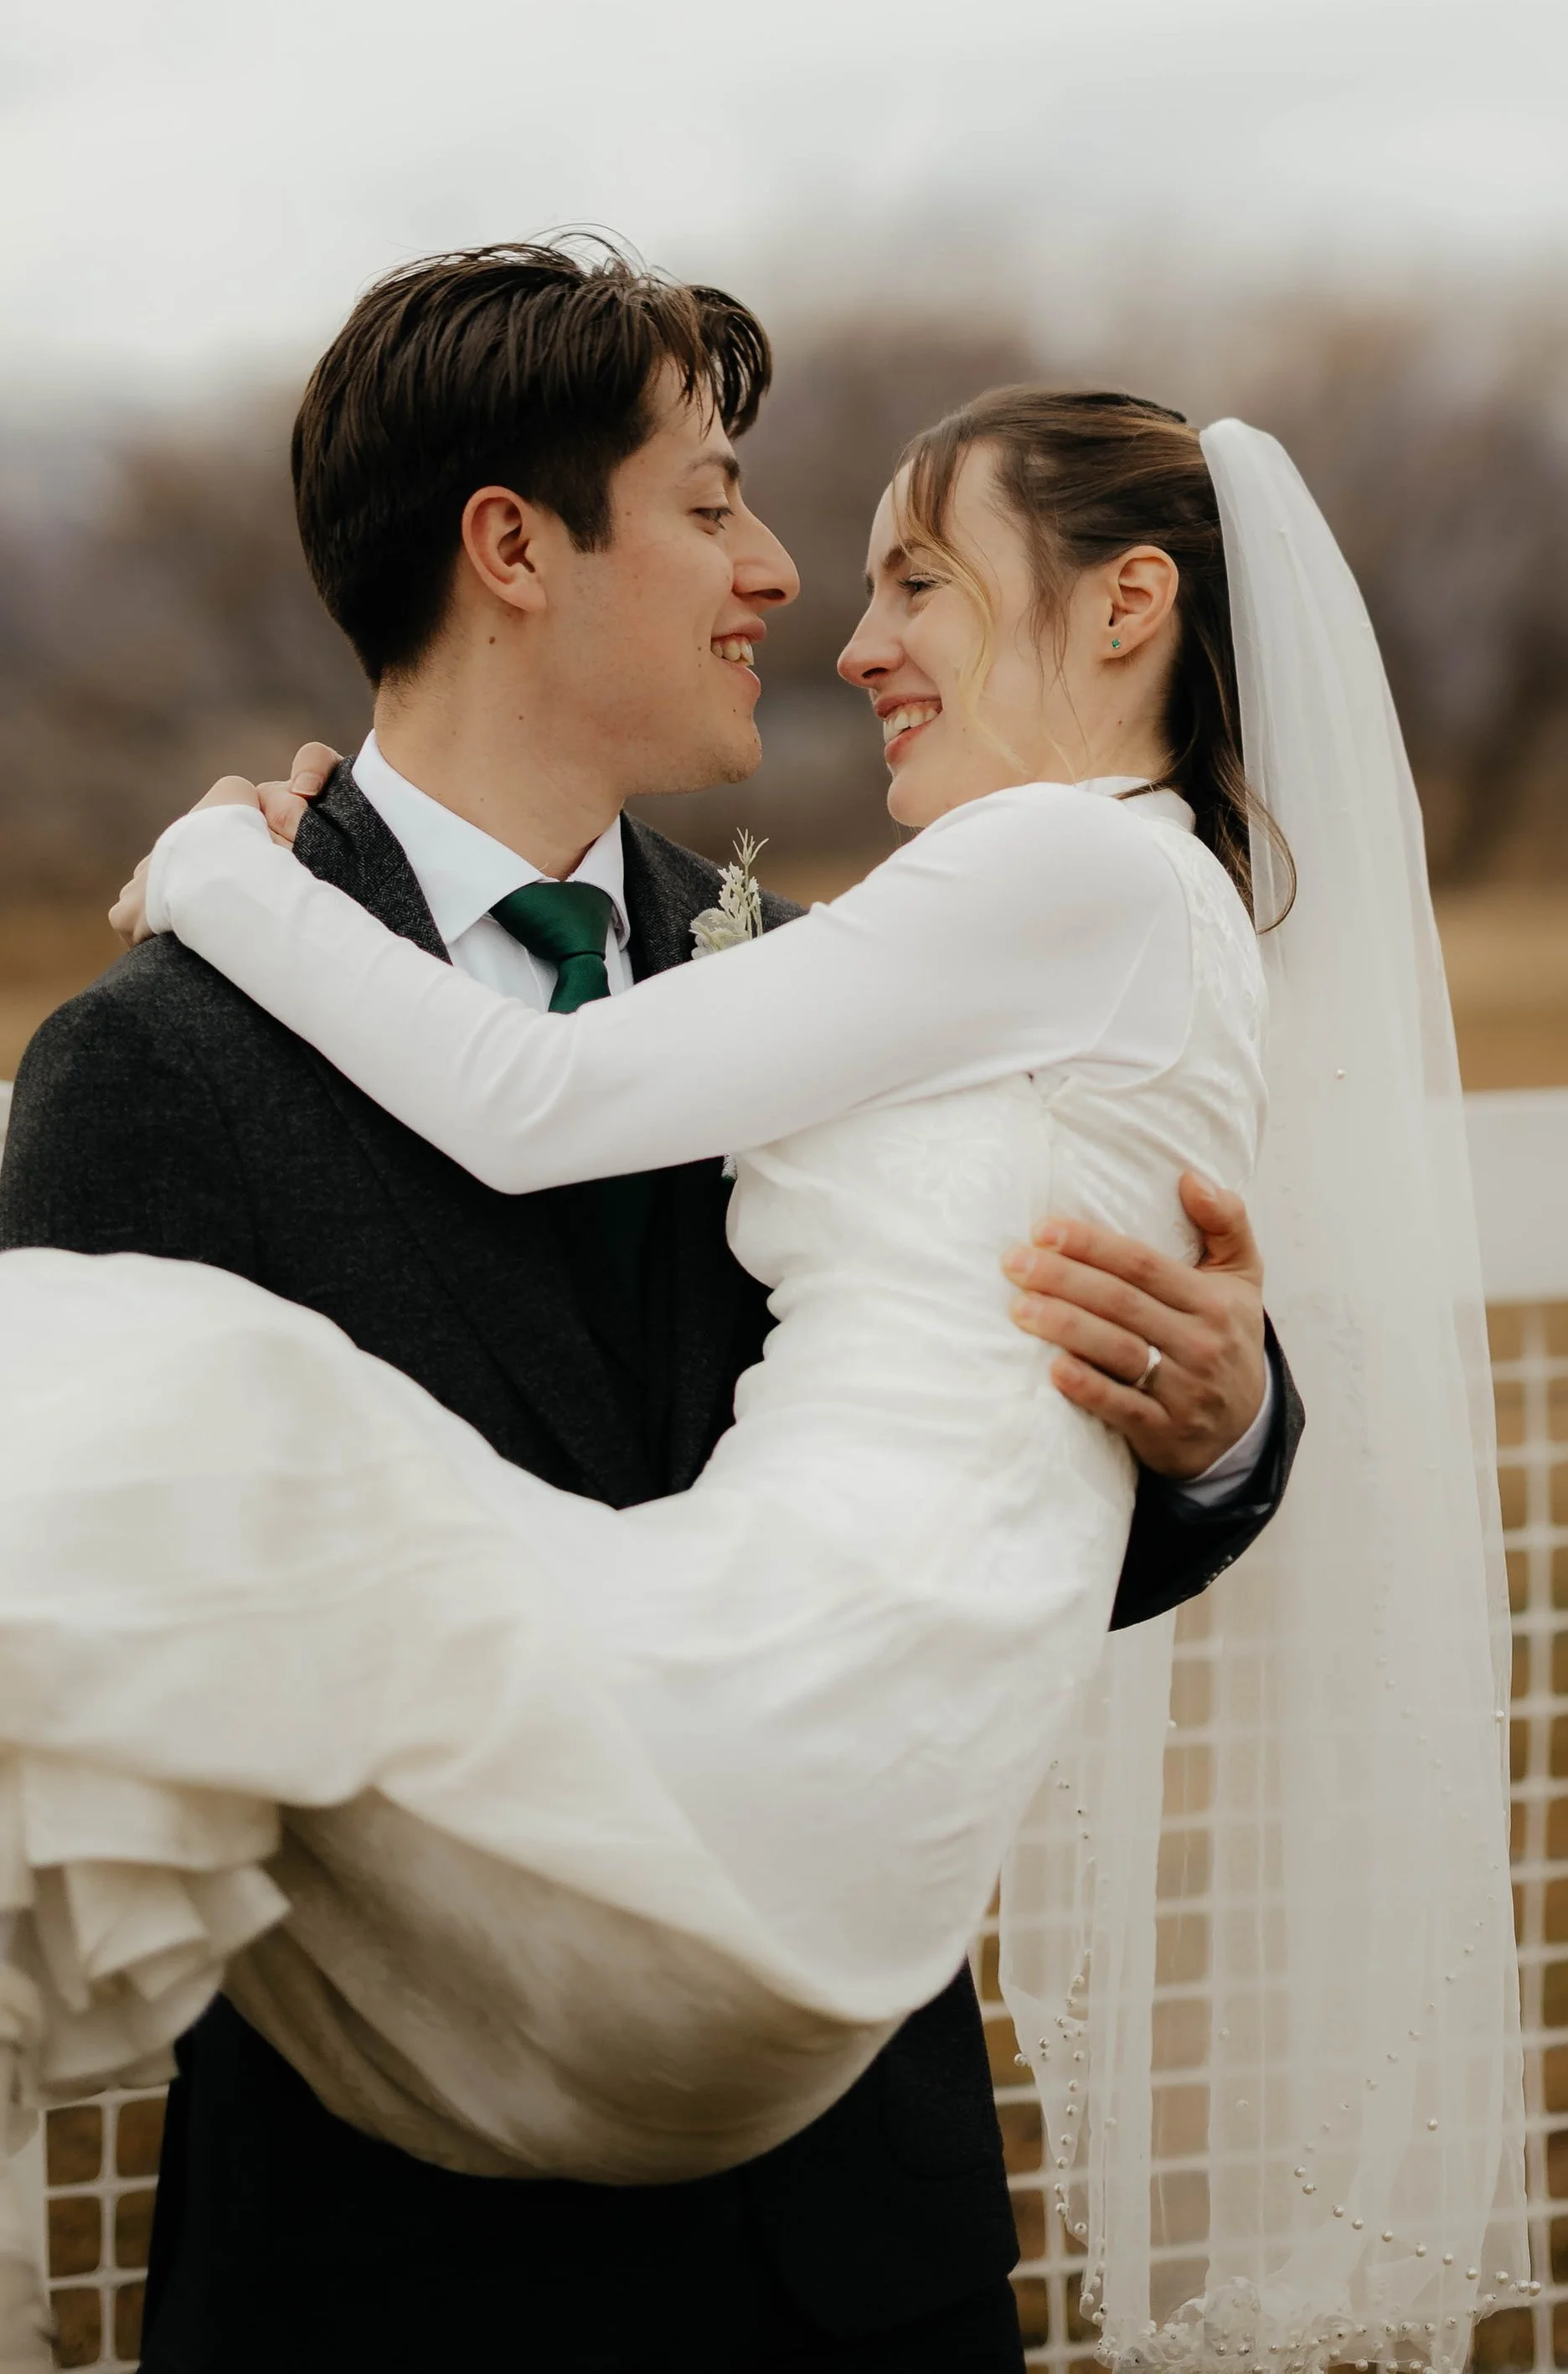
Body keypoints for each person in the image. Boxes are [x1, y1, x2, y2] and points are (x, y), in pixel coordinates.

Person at [0, 250, 1302, 2374]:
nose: (779, 575)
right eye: (710, 504)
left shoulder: (831, 968)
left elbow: (985, 1465)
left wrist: (1220, 1421)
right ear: (511, 547)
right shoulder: (155, 1064)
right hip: (407, 2255)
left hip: (850, 2233)